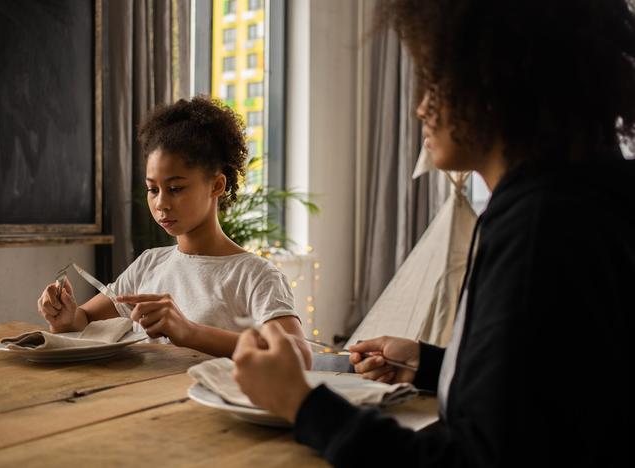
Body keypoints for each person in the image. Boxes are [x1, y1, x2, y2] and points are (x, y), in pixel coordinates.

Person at [231, 0, 635, 466]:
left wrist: (301, 403)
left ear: (497, 80)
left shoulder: (540, 229)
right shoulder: (590, 196)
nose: (421, 107)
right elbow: (552, 391)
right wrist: (431, 362)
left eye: (436, 81)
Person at [37, 97, 311, 367]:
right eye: (152, 189)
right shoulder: (149, 264)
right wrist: (66, 317)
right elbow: (83, 319)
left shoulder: (254, 276)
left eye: (176, 189)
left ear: (216, 186)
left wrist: (190, 332)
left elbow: (298, 356)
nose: (161, 204)